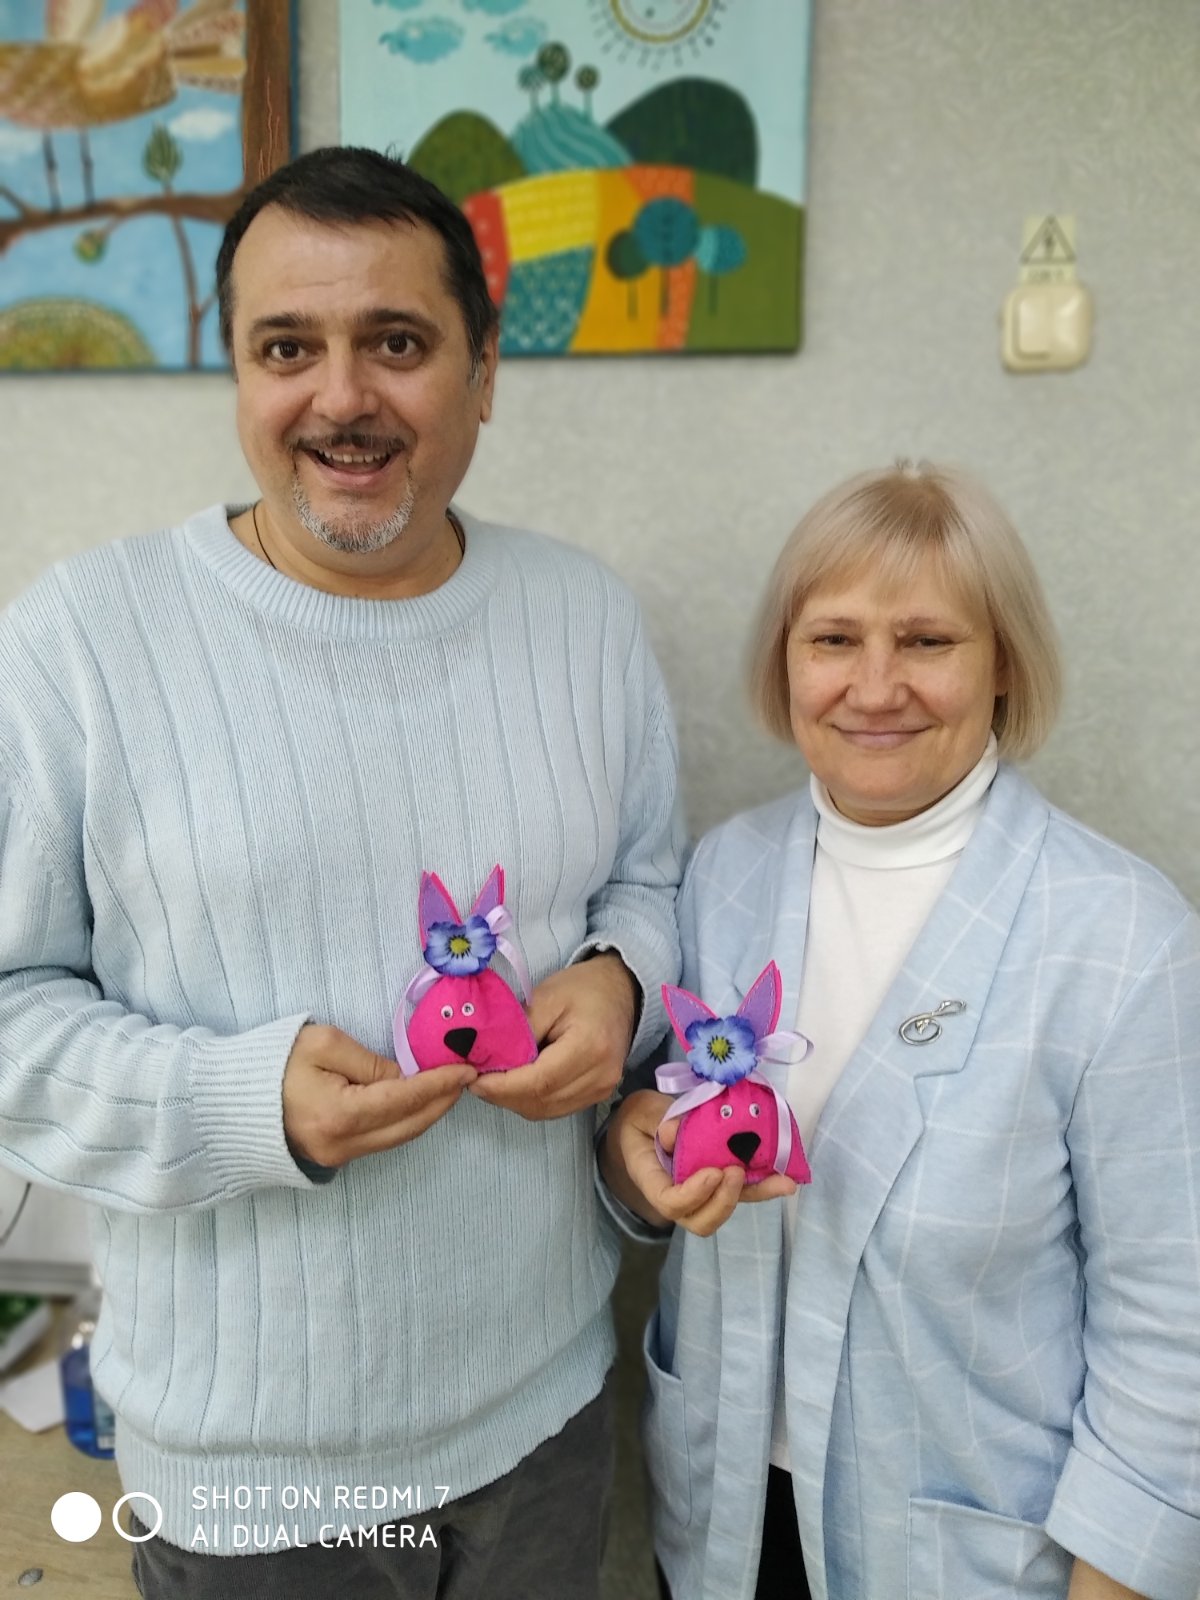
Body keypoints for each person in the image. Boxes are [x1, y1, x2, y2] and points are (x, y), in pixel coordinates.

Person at [0, 146, 684, 1599]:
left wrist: (621, 979)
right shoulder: (77, 644)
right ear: (236, 375)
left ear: (484, 374)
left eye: (398, 343)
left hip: (547, 1412)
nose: (341, 398)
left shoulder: (587, 619)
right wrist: (243, 1104)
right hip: (248, 1474)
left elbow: (649, 882)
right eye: (286, 348)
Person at [600, 463, 1200, 1600]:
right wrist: (634, 1150)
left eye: (926, 641)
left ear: (1003, 662)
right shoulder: (723, 875)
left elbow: (1176, 1321)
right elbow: (648, 1140)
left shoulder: (1122, 937)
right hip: (723, 1526)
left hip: (972, 1554)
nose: (875, 687)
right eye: (834, 639)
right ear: (787, 659)